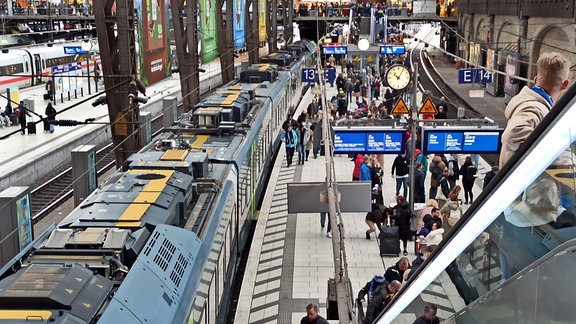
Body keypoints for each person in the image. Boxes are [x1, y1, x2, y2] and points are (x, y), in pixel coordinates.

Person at [500, 52, 570, 169]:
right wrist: (562, 158)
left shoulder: (531, 103)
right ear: (565, 84)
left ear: (536, 79)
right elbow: (512, 134)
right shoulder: (535, 108)